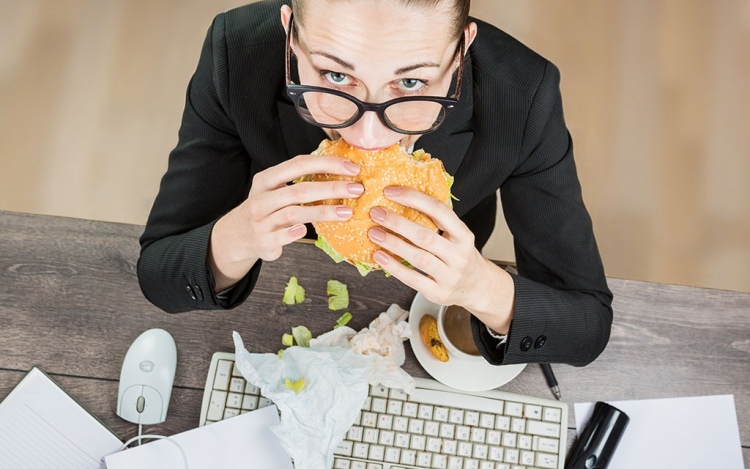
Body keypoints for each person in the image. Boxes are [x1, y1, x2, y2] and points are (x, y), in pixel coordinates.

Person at [138, 0, 612, 367]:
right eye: (335, 75)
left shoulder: (524, 94)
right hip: (276, 289)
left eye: (411, 84)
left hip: (434, 289)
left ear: (461, 53)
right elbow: (158, 274)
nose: (367, 137)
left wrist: (479, 286)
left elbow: (588, 324)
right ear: (290, 36)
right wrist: (236, 237)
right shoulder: (235, 52)